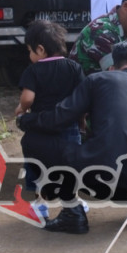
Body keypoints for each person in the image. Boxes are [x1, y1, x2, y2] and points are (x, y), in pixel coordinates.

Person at [18, 41, 127, 233]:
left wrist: (25, 120)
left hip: (96, 181)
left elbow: (59, 118)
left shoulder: (98, 80)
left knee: (33, 140)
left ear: (112, 67)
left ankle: (72, 211)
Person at [15, 20, 85, 204]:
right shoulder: (74, 68)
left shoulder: (33, 71)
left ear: (40, 49)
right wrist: (82, 123)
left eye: (30, 50)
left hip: (40, 128)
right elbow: (82, 99)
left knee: (35, 164)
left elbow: (28, 98)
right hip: (69, 127)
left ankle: (38, 202)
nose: (29, 55)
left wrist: (21, 108)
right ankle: (72, 200)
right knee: (71, 165)